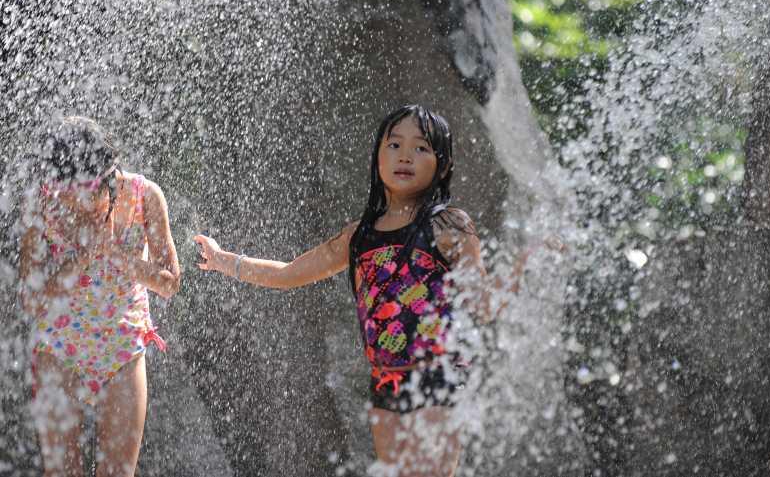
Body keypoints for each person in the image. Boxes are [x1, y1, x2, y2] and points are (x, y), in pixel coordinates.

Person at [194, 105, 539, 477]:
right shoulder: (359, 235)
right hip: (385, 379)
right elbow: (291, 273)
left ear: (442, 165)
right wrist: (223, 260)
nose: (405, 155)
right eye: (394, 145)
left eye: (421, 148)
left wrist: (523, 267)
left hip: (439, 373)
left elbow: (482, 305)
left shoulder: (449, 226)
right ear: (377, 157)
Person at [18, 116, 181, 477]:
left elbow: (169, 283)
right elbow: (30, 300)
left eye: (86, 198)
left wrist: (115, 255)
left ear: (109, 181)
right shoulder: (42, 202)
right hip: (60, 348)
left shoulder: (145, 196)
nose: (74, 208)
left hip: (123, 348)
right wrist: (81, 258)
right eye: (66, 197)